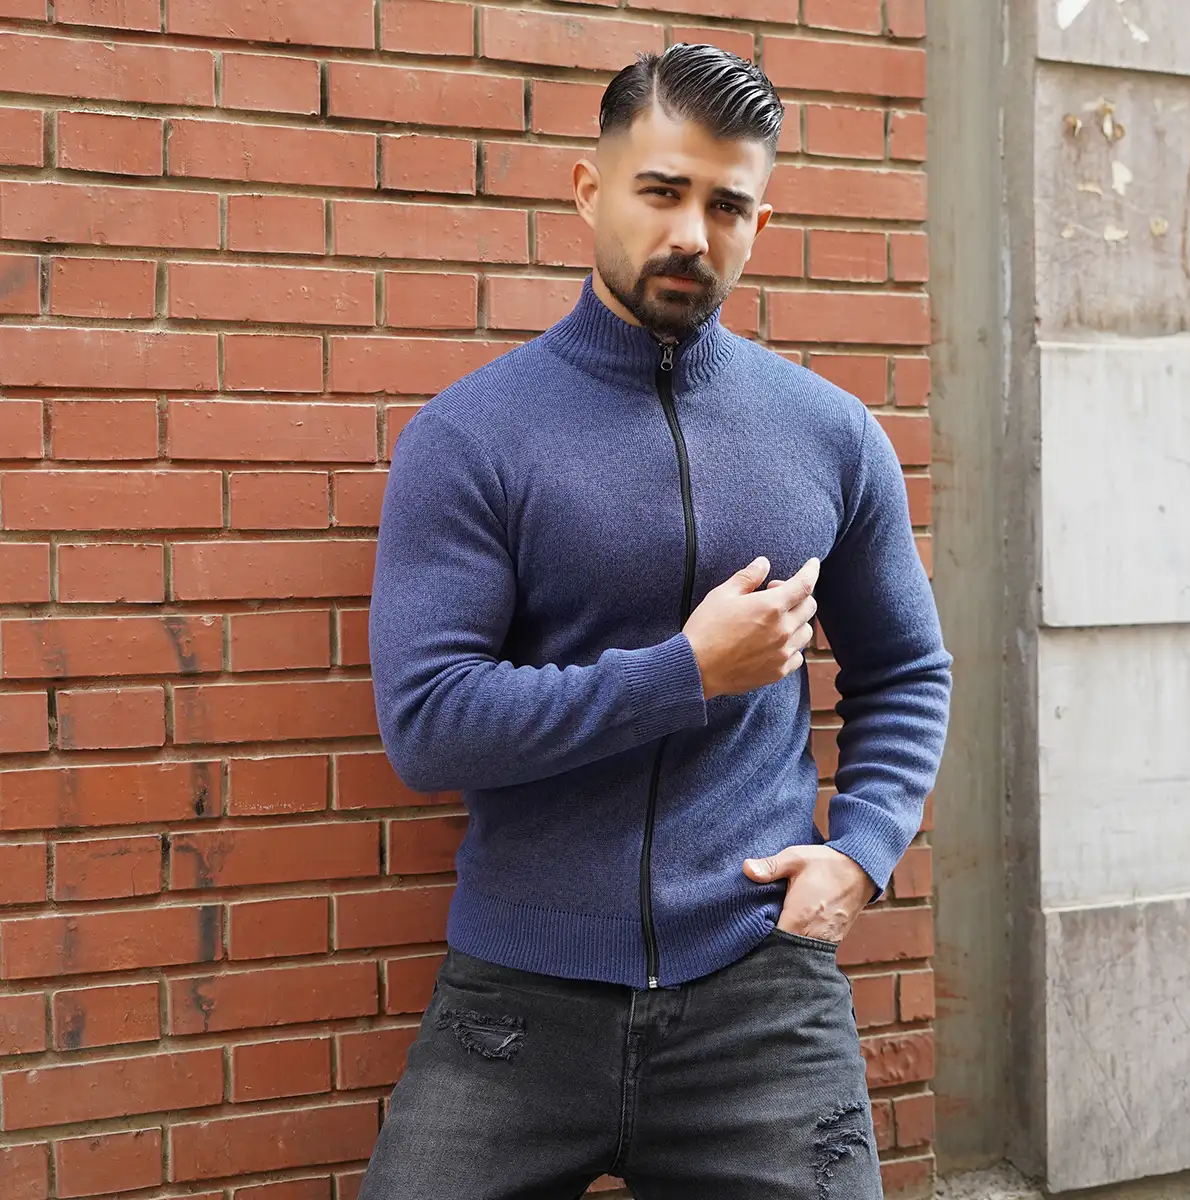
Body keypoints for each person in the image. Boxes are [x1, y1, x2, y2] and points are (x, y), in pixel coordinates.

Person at [363, 42, 951, 1200]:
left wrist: (864, 849)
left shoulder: (831, 434)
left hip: (759, 995)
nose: (691, 232)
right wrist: (685, 671)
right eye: (662, 191)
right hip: (517, 1000)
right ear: (590, 191)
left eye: (725, 206)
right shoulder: (471, 438)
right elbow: (428, 724)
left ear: (760, 223)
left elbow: (907, 671)